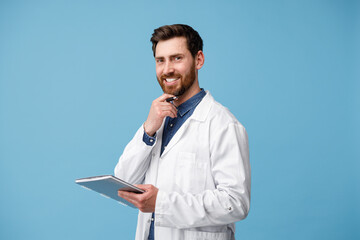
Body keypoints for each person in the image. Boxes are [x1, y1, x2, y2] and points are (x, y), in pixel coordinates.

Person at [115, 24, 251, 240]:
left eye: (177, 58)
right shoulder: (157, 120)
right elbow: (123, 183)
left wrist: (161, 203)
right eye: (161, 60)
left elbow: (235, 203)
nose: (167, 69)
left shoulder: (223, 125)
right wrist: (148, 130)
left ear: (199, 60)